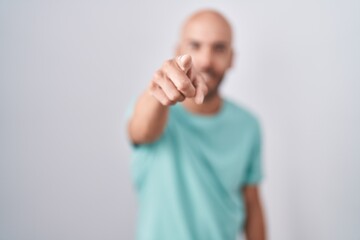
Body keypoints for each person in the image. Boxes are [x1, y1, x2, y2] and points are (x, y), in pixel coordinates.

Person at [127, 9, 266, 240]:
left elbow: (252, 204)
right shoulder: (152, 109)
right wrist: (159, 91)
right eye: (195, 45)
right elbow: (140, 131)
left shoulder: (248, 125)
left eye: (219, 48)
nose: (206, 60)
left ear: (232, 58)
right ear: (178, 52)